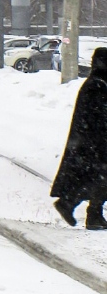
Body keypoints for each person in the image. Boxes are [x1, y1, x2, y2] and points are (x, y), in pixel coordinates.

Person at [51, 47, 107, 229]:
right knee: (98, 177)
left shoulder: (97, 82)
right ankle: (72, 204)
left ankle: (89, 212)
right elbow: (99, 115)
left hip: (91, 141)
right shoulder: (97, 85)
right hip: (94, 142)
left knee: (96, 177)